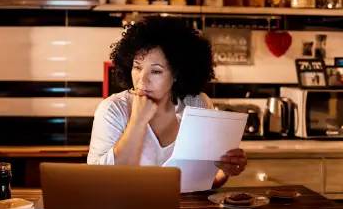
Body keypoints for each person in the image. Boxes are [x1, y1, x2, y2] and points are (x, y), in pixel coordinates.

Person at [87, 15, 247, 188]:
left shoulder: (196, 103)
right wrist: (137, 122)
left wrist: (225, 171)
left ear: (177, 73)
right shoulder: (113, 109)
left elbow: (201, 184)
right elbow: (100, 182)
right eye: (137, 67)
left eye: (156, 71)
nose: (142, 80)